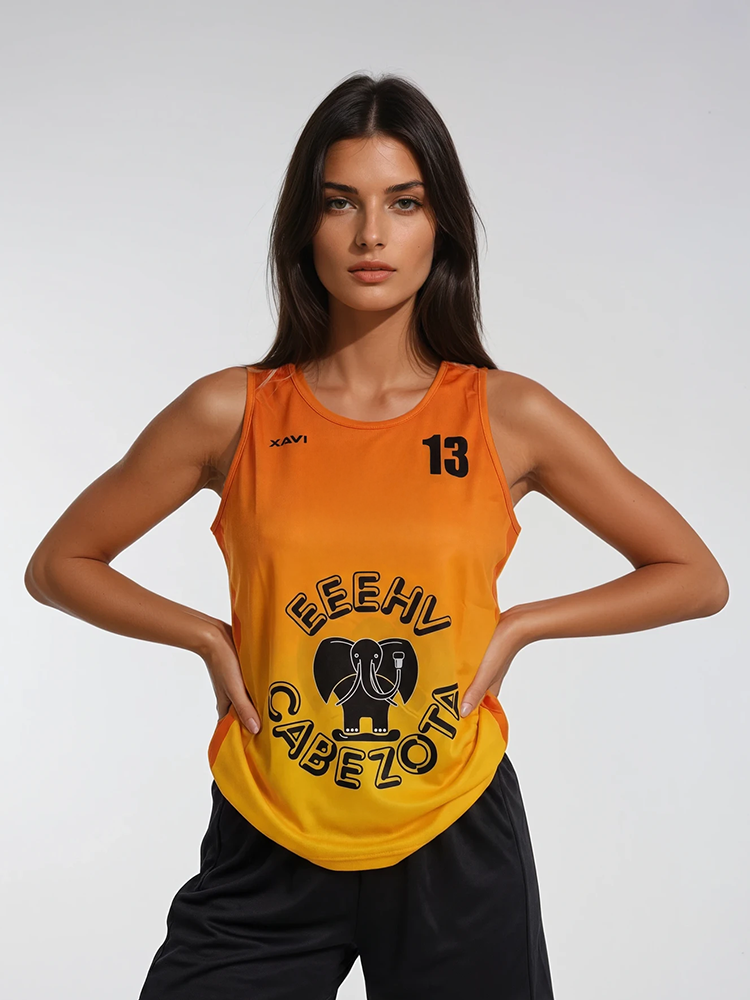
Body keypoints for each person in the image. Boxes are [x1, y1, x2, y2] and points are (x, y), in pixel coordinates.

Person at [24, 73, 729, 1000]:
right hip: (270, 827)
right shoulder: (231, 411)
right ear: (303, 227)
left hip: (453, 829)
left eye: (403, 202)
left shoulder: (505, 415)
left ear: (442, 228)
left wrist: (519, 627)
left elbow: (694, 575)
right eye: (339, 203)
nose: (370, 235)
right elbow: (59, 565)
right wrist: (207, 637)